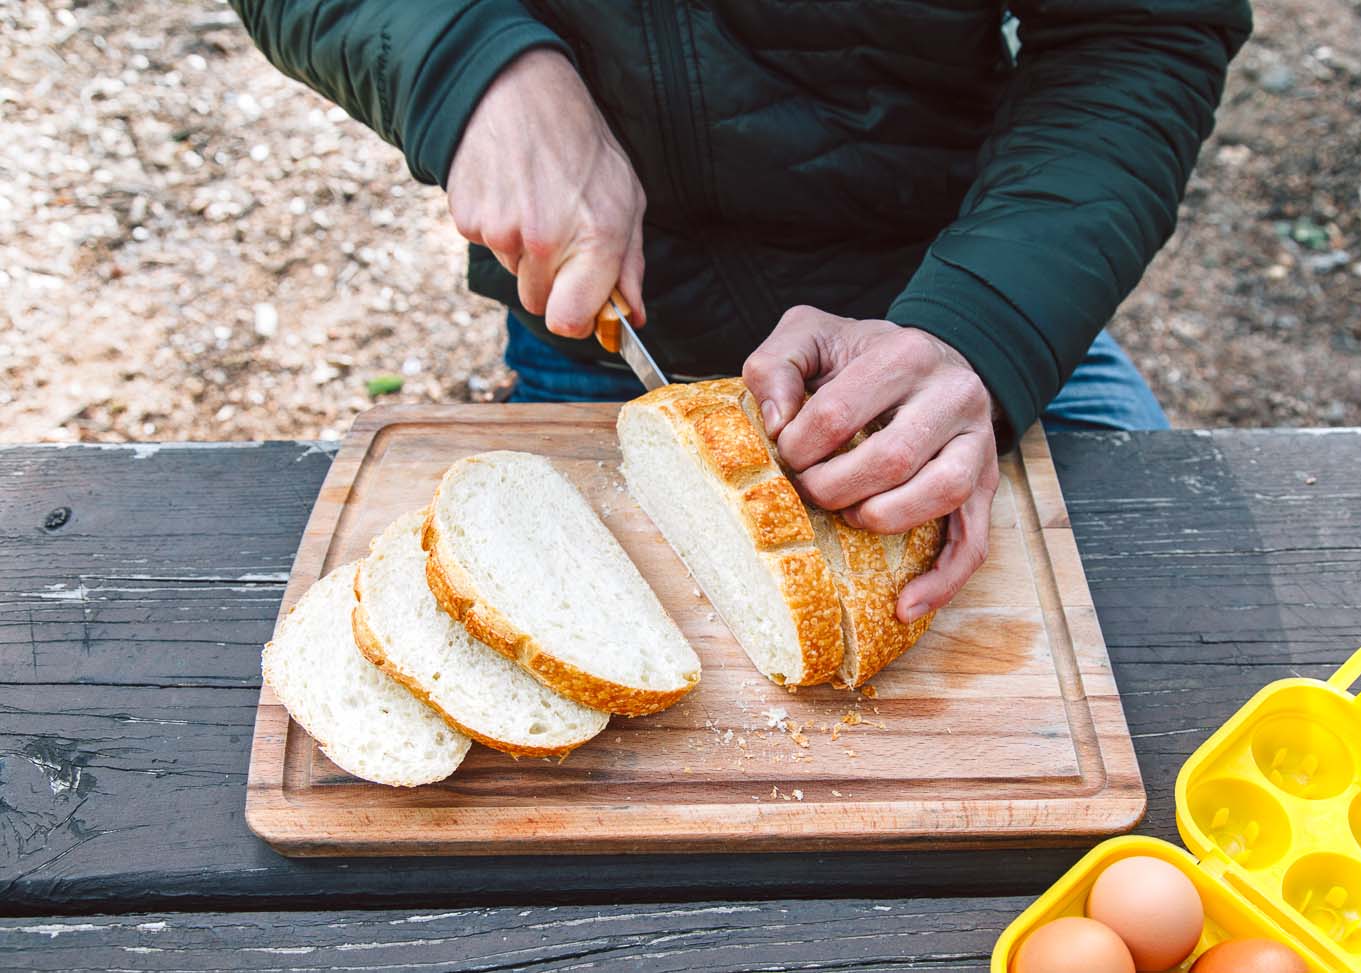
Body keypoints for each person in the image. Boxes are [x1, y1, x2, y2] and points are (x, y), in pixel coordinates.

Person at [232, 1, 1251, 620]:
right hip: (601, 330)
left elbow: (1138, 27)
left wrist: (991, 321)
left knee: (1163, 622)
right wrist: (467, 63)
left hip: (964, 300)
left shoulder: (985, 317)